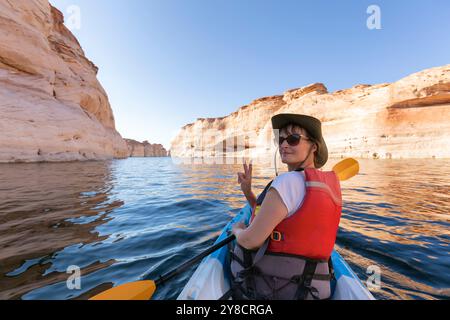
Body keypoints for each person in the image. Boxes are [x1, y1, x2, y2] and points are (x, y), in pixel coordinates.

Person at [227, 114, 342, 300]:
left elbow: (251, 241)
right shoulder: (324, 185)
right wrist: (248, 192)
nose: (283, 145)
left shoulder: (286, 181)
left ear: (314, 146)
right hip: (315, 291)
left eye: (293, 139)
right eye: (280, 140)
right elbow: (279, 217)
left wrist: (237, 230)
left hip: (272, 288)